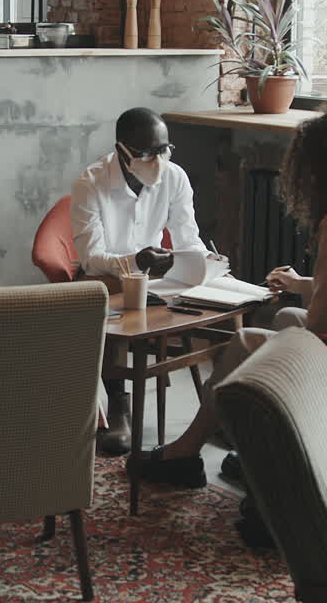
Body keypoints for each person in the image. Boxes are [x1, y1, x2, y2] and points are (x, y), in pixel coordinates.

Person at [141, 102, 327, 490]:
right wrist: (301, 285)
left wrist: (280, 340)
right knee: (282, 321)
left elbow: (323, 324)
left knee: (246, 341)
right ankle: (246, 443)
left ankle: (187, 451)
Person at [71, 107, 210, 454]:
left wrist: (192, 261)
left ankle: (216, 411)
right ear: (123, 150)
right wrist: (137, 261)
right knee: (106, 300)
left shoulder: (175, 178)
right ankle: (118, 402)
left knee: (209, 294)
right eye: (148, 153)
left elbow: (188, 239)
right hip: (104, 277)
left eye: (164, 150)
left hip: (157, 274)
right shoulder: (90, 183)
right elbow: (91, 257)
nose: (158, 160)